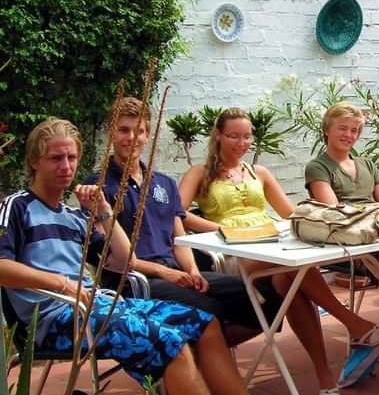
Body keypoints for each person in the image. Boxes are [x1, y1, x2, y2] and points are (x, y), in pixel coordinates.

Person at [0, 119, 272, 395]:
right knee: (164, 337)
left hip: (96, 305)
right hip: (52, 317)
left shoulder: (73, 217)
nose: (66, 167)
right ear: (34, 161)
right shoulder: (17, 207)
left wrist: (103, 213)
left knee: (203, 322)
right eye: (55, 158)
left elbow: (123, 258)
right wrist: (61, 283)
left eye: (71, 158)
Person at [179, 107, 379, 395]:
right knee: (291, 270)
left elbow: (289, 213)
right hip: (231, 252)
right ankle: (351, 323)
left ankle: (325, 380)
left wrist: (319, 223)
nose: (241, 143)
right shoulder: (200, 173)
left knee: (292, 284)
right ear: (218, 136)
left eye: (246, 137)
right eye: (233, 136)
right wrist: (222, 228)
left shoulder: (260, 173)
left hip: (269, 245)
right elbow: (178, 213)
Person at [86, 97, 274, 347]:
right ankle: (199, 355)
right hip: (134, 280)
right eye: (123, 130)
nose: (132, 138)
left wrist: (193, 272)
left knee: (267, 302)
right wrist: (168, 273)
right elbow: (110, 257)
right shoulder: (98, 186)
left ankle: (198, 353)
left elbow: (178, 239)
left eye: (139, 131)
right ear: (111, 133)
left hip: (177, 271)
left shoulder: (163, 183)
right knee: (210, 310)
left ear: (148, 134)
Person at [304, 103, 379, 304]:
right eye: (342, 128)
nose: (349, 135)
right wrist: (376, 209)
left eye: (354, 130)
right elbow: (336, 210)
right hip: (350, 240)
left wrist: (375, 209)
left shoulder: (367, 163)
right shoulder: (317, 167)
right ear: (326, 130)